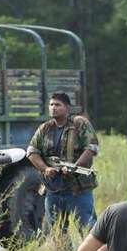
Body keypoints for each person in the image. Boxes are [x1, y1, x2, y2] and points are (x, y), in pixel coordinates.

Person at [27, 92, 100, 228]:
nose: (53, 107)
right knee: (57, 231)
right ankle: (62, 250)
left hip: (77, 188)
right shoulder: (45, 128)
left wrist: (74, 168)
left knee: (87, 226)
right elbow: (31, 151)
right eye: (51, 104)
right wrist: (45, 169)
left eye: (58, 105)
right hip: (53, 189)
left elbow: (92, 148)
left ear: (67, 108)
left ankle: (97, 250)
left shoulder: (79, 123)